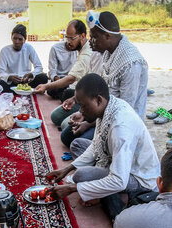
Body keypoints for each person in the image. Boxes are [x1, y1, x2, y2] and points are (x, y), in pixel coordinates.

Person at [48, 74, 160, 222]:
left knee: (81, 176)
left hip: (138, 175)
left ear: (98, 100)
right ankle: (102, 189)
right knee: (77, 145)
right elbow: (96, 145)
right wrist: (67, 168)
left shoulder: (121, 127)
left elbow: (119, 180)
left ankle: (116, 211)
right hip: (114, 158)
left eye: (83, 106)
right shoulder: (108, 107)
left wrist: (71, 188)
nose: (80, 111)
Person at [61, 11, 149, 154]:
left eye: (94, 37)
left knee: (74, 141)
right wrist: (85, 114)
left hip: (121, 124)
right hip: (104, 114)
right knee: (68, 135)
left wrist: (89, 123)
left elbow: (125, 110)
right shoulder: (109, 52)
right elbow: (101, 95)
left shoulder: (131, 63)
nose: (91, 41)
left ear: (108, 36)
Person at [34, 20, 91, 101]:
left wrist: (46, 86)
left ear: (82, 36)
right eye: (67, 38)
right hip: (69, 81)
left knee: (66, 96)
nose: (68, 42)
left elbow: (71, 79)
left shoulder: (86, 54)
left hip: (84, 88)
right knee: (54, 90)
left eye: (72, 38)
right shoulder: (58, 48)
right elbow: (53, 71)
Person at [0, 24, 48, 93]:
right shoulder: (5, 50)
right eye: (15, 38)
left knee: (43, 77)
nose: (17, 42)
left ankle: (18, 91)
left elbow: (39, 67)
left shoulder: (29, 48)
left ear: (24, 40)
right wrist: (10, 77)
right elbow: (0, 72)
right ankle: (22, 91)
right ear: (11, 38)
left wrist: (30, 75)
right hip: (11, 83)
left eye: (20, 39)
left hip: (26, 82)